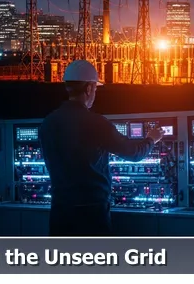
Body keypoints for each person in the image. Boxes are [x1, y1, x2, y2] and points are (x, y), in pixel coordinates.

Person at [39, 60, 164, 236]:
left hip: (60, 211)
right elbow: (134, 153)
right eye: (95, 89)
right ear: (89, 88)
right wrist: (151, 139)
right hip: (91, 212)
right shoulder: (96, 123)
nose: (94, 94)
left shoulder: (48, 123)